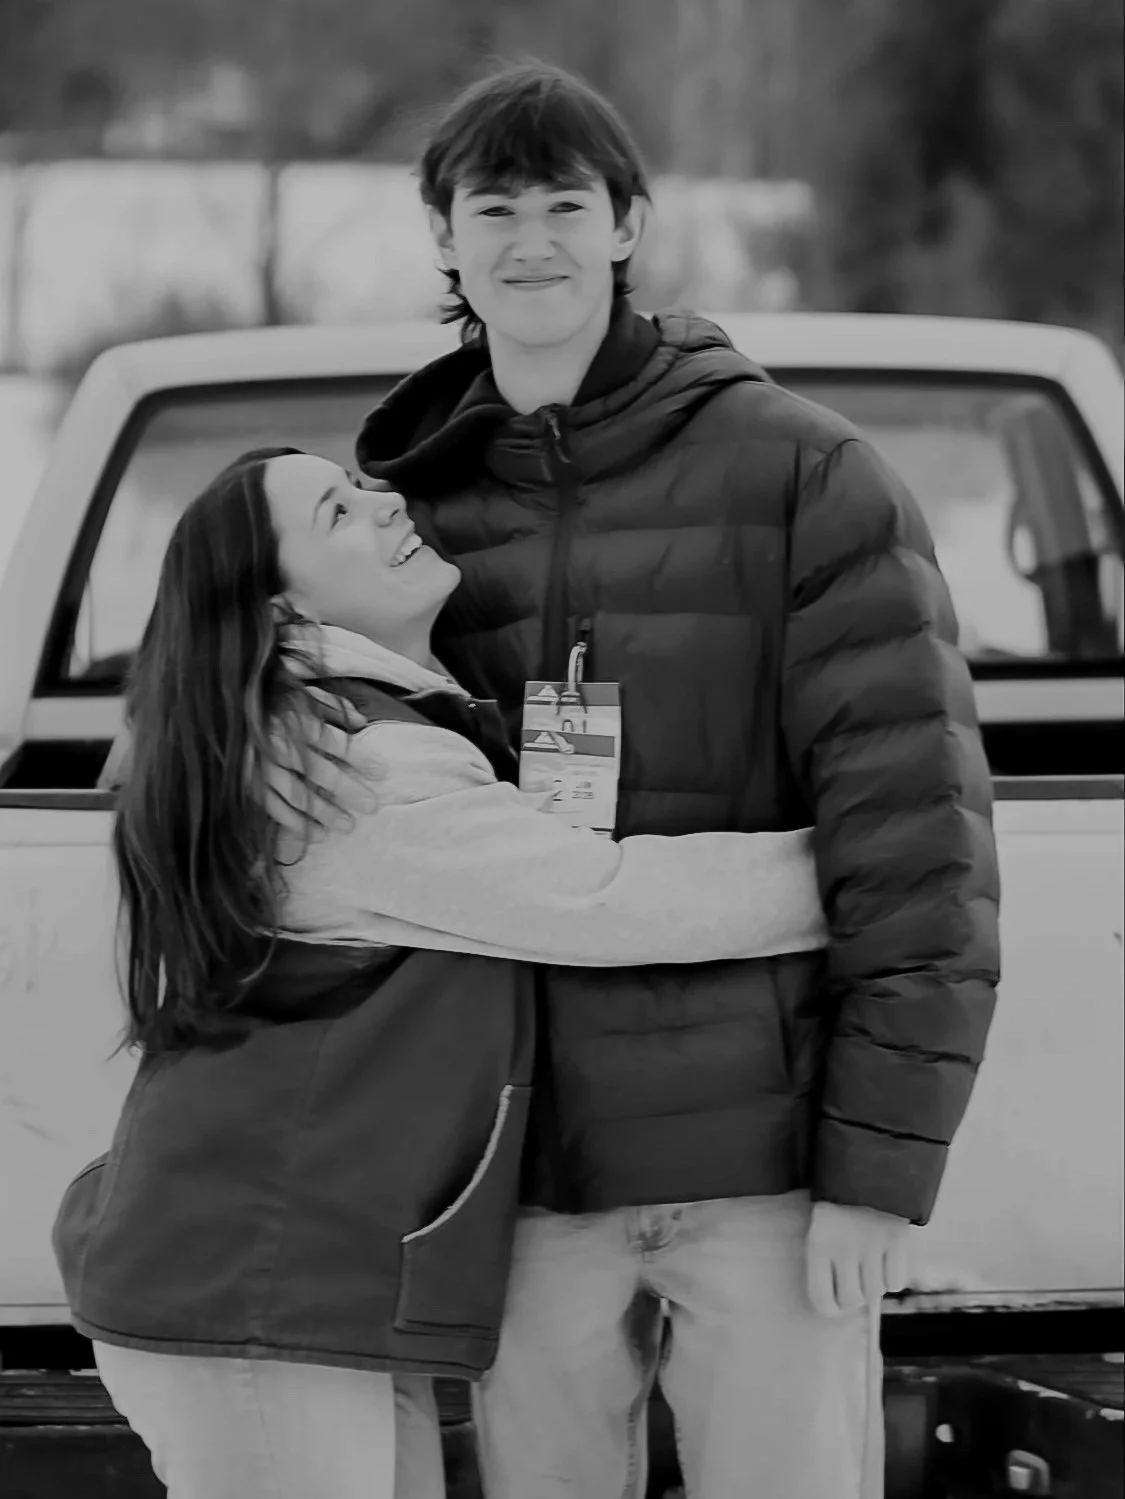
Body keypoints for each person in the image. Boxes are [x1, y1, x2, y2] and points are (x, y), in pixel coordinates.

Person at [354, 62, 1001, 1499]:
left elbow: (917, 844)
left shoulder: (803, 474)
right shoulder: (401, 512)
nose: (533, 239)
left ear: (629, 225)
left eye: (566, 203)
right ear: (445, 239)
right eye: (495, 205)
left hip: (766, 1174)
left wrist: (874, 1174)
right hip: (516, 1172)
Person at [51, 447, 831, 1499]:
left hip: (288, 1295)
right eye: (338, 511)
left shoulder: (341, 725)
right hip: (252, 1299)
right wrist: (863, 867)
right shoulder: (359, 762)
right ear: (282, 611)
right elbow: (605, 899)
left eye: (363, 485)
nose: (385, 505)